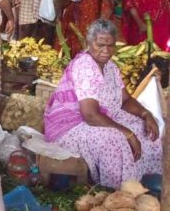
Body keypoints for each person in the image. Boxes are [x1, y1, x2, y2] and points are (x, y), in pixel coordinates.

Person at [44, 19, 162, 189]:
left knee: (146, 129)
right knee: (115, 140)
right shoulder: (85, 66)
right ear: (89, 43)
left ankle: (145, 183)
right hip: (73, 126)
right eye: (100, 45)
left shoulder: (110, 67)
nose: (106, 51)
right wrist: (127, 133)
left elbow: (126, 100)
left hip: (102, 117)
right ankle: (117, 191)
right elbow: (90, 115)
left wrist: (146, 114)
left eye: (110, 45)